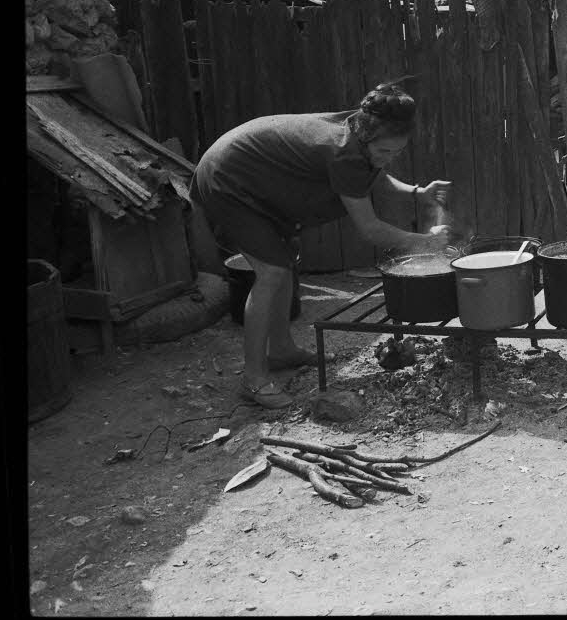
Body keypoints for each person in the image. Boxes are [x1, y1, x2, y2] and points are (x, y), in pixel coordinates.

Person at [189, 83, 452, 408]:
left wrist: (416, 192)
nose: (388, 160)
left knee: (283, 264)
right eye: (385, 152)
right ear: (367, 137)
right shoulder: (344, 151)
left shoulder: (362, 131)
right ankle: (254, 379)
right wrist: (426, 243)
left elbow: (373, 172)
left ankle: (281, 350)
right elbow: (370, 229)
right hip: (229, 177)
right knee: (271, 272)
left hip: (256, 175)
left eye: (396, 153)